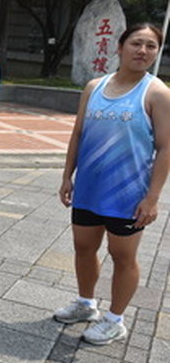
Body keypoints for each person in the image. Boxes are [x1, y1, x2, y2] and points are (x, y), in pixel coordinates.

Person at [54, 23, 170, 345]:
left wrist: (153, 197)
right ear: (119, 47)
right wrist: (67, 175)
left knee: (122, 256)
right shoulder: (94, 87)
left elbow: (166, 147)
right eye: (136, 43)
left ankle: (115, 319)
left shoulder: (157, 93)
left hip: (128, 194)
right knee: (83, 247)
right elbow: (78, 133)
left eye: (151, 46)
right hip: (89, 188)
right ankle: (86, 303)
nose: (143, 51)